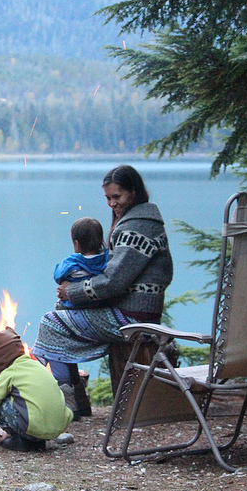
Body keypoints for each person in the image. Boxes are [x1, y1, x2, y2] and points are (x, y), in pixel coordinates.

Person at [31, 165, 173, 397]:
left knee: (51, 322)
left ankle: (63, 396)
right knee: (61, 313)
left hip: (132, 317)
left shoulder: (137, 227)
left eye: (117, 196)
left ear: (134, 192)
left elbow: (113, 282)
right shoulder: (135, 222)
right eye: (108, 198)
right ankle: (74, 396)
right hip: (130, 312)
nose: (112, 203)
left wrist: (72, 291)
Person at [0, 328, 73, 452]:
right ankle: (38, 439)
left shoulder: (10, 372)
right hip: (59, 427)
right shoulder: (37, 366)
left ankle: (23, 440)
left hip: (35, 427)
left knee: (0, 402)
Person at [53, 217, 109, 310]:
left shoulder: (72, 261)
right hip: (99, 303)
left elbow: (58, 275)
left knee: (58, 306)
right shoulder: (106, 258)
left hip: (75, 304)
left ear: (77, 244)